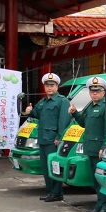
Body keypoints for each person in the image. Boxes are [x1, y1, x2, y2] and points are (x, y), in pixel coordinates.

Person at [70, 76, 106, 212]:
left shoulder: (105, 107)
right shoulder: (91, 105)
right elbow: (84, 122)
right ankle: (99, 206)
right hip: (90, 148)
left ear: (103, 92)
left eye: (98, 91)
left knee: (103, 180)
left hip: (99, 150)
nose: (94, 93)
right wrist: (75, 113)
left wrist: (104, 147)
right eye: (92, 91)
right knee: (96, 181)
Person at [25, 72, 72, 202]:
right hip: (43, 139)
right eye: (47, 85)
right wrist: (30, 111)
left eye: (52, 85)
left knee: (54, 166)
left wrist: (59, 137)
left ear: (57, 86)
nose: (49, 88)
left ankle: (57, 192)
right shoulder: (43, 101)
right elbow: (36, 114)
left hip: (53, 140)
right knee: (46, 168)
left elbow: (64, 121)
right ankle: (50, 191)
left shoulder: (62, 101)